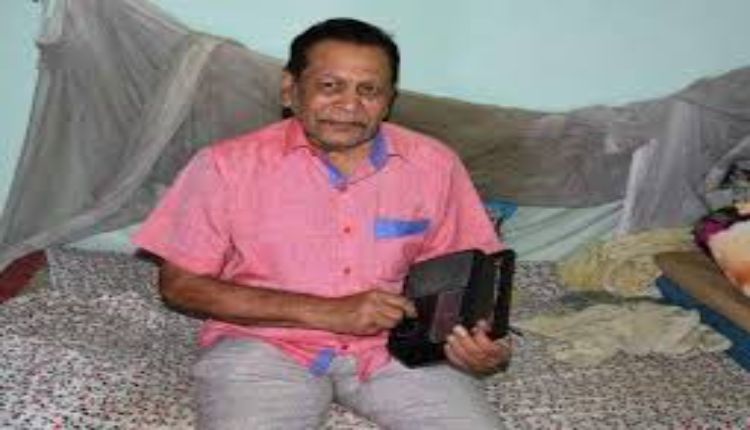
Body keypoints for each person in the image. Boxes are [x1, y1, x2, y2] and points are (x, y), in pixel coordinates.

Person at [134, 17, 511, 429]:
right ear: (290, 89)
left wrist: (481, 343)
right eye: (330, 86)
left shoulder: (434, 165)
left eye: (369, 90)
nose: (349, 105)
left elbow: (469, 277)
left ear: (389, 100)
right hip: (263, 344)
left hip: (397, 347)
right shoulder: (225, 166)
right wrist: (329, 312)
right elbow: (180, 285)